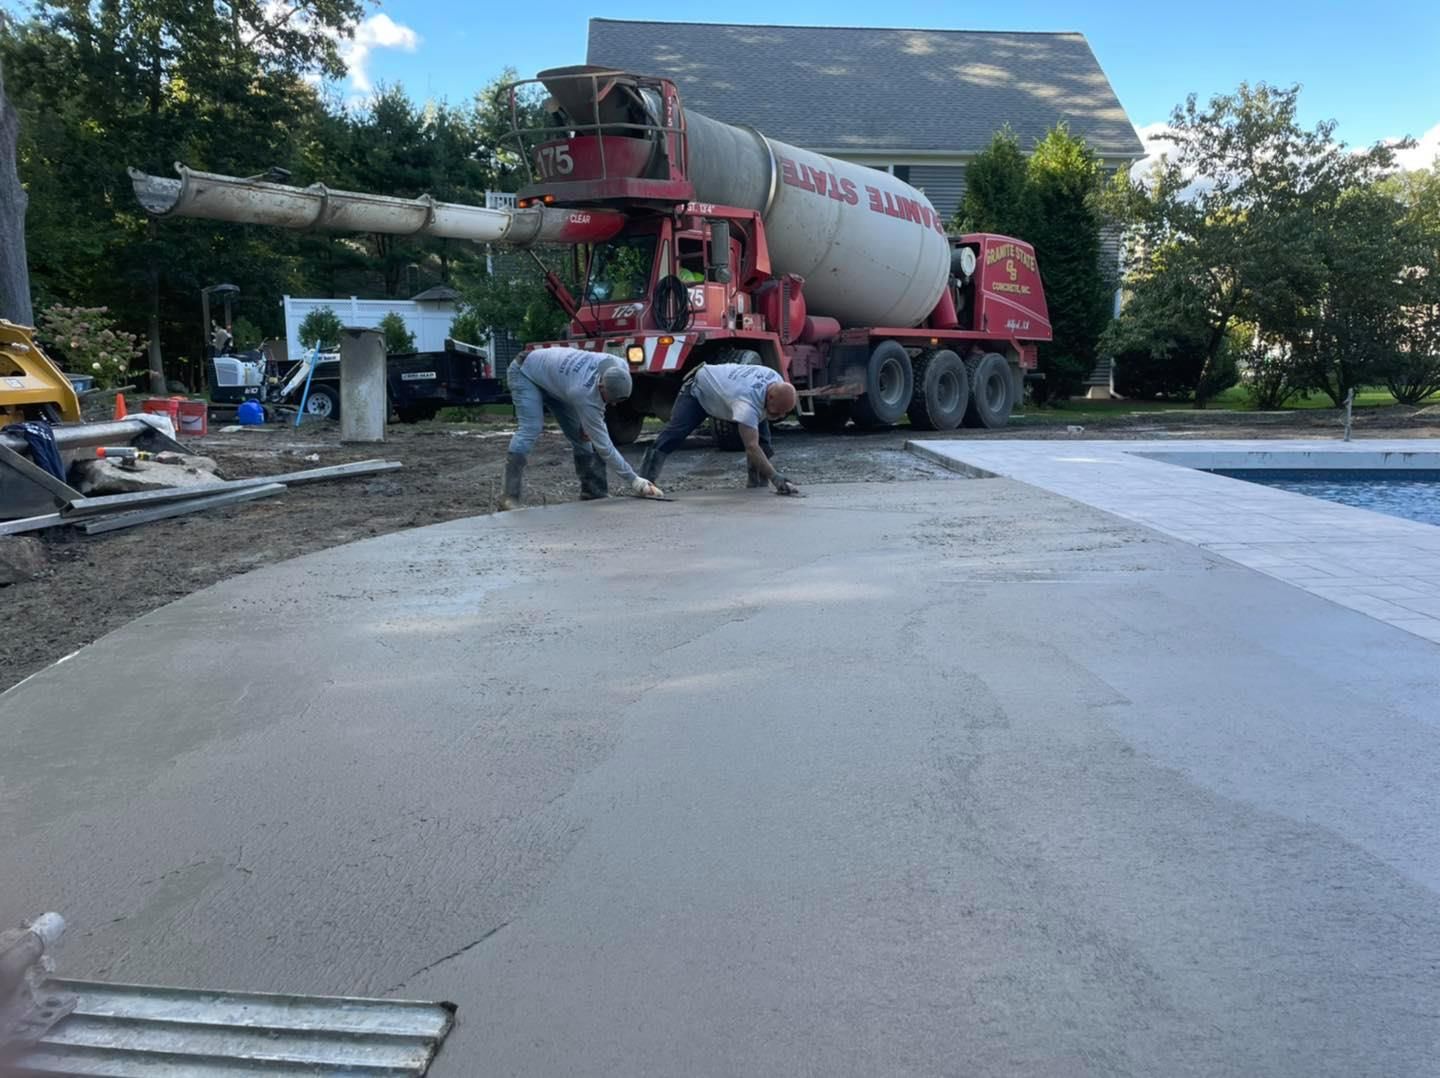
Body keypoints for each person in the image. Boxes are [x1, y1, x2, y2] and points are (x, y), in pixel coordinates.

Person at [501, 346, 663, 510]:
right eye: (610, 399)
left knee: (583, 438)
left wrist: (588, 421)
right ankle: (509, 498)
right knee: (531, 428)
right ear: (600, 386)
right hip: (526, 372)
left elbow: (598, 408)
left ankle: (593, 492)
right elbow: (605, 447)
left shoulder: (620, 365)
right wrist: (635, 481)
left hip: (559, 379)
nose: (613, 404)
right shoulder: (583, 393)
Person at [640, 361, 800, 495]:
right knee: (675, 434)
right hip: (699, 392)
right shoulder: (746, 404)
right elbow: (751, 447)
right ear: (771, 396)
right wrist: (776, 477)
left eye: (783, 414)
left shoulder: (776, 379)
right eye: (777, 411)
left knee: (764, 442)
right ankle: (645, 482)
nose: (779, 416)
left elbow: (760, 438)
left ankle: (757, 486)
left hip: (728, 392)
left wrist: (772, 411)